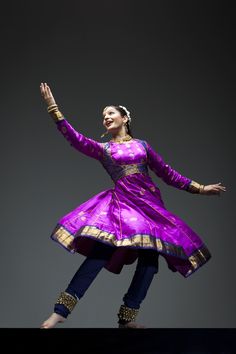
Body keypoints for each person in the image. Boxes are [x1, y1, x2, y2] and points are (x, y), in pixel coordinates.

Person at [39, 83, 226, 329]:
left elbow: (168, 174)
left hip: (149, 207)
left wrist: (200, 188)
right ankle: (61, 311)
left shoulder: (143, 146)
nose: (105, 117)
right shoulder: (104, 149)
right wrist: (54, 109)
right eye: (103, 115)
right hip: (122, 207)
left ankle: (127, 319)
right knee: (100, 255)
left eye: (110, 113)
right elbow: (76, 139)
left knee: (150, 263)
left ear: (125, 118)